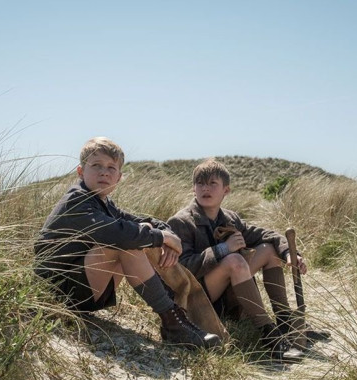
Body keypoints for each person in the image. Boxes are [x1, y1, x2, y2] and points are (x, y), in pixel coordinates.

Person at [34, 137, 220, 349]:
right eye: (96, 166)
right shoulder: (77, 200)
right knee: (125, 242)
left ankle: (177, 319)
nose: (104, 172)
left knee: (138, 233)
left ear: (119, 177)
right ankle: (173, 323)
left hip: (82, 291)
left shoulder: (105, 202)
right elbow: (117, 234)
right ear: (80, 172)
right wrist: (161, 238)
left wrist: (167, 234)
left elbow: (142, 221)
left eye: (111, 168)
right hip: (55, 291)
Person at [167, 159, 329, 362]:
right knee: (234, 260)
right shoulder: (181, 221)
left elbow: (267, 234)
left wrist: (289, 254)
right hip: (198, 297)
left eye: (212, 184)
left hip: (228, 294)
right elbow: (181, 269)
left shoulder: (230, 219)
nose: (205, 189)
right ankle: (270, 337)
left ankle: (285, 323)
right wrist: (223, 249)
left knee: (268, 250)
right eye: (200, 183)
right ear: (193, 188)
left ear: (226, 190)